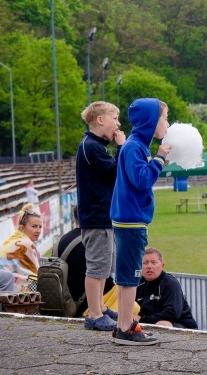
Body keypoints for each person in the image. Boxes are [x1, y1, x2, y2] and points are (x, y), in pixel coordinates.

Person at [111, 98, 170, 345]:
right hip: (131, 223)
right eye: (164, 118)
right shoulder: (135, 147)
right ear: (151, 121)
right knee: (129, 278)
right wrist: (159, 159)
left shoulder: (136, 146)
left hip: (131, 221)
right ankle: (124, 329)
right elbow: (142, 180)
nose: (167, 124)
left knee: (128, 278)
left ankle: (125, 324)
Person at [76, 101, 126, 331]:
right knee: (97, 268)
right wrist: (122, 147)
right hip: (97, 218)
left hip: (102, 216)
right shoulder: (91, 147)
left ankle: (101, 308)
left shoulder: (95, 146)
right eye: (114, 118)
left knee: (104, 267)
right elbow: (115, 171)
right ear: (100, 120)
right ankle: (94, 314)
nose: (118, 123)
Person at [57, 205, 118, 318]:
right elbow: (105, 277)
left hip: (62, 299)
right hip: (83, 304)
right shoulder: (94, 240)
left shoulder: (62, 239)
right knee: (128, 298)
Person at [135, 247, 198, 329]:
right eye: (145, 263)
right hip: (149, 323)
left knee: (162, 324)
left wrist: (143, 319)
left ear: (162, 266)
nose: (149, 266)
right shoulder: (138, 284)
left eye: (153, 262)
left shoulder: (170, 283)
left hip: (180, 326)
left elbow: (172, 313)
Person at [0, 204, 42, 292]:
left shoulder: (11, 240)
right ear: (22, 228)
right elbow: (37, 273)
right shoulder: (26, 244)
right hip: (9, 292)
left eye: (40, 227)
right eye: (34, 226)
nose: (38, 231)